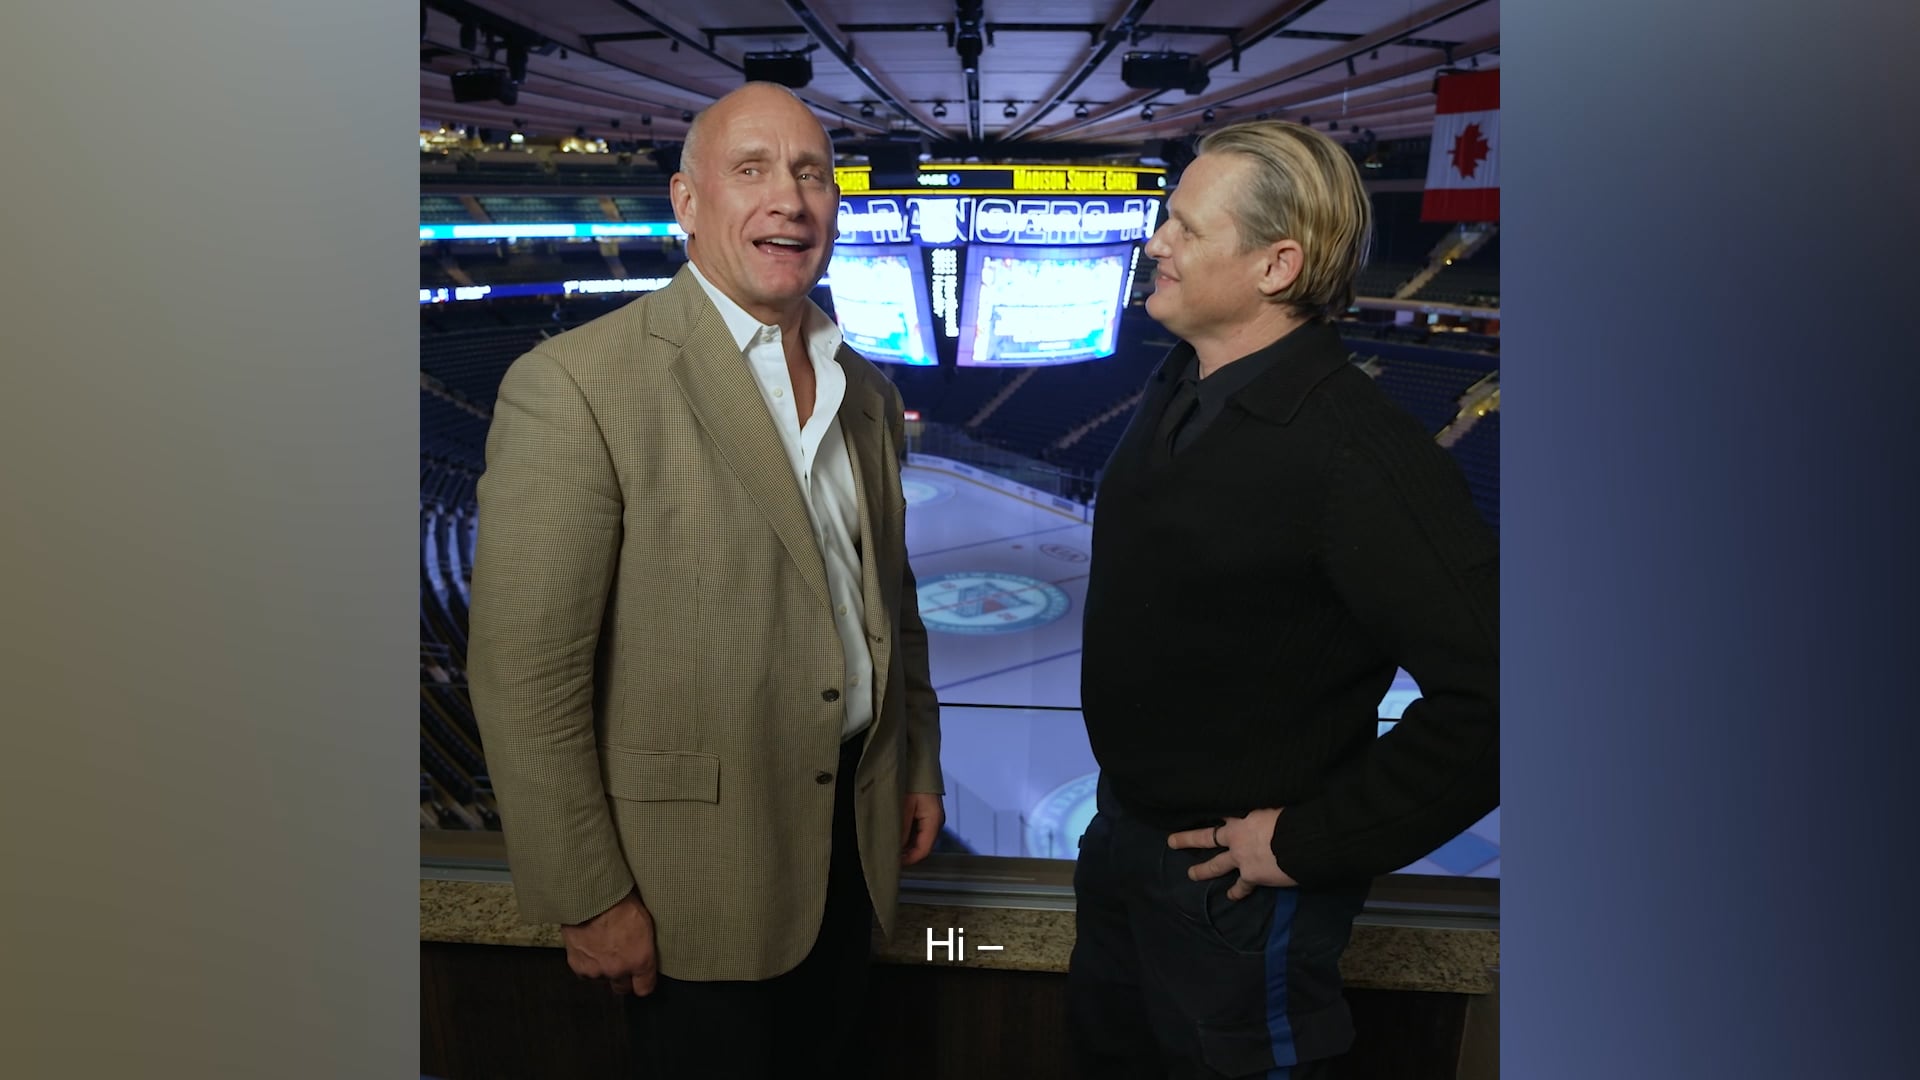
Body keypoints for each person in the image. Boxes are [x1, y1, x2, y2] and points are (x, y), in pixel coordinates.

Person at [466, 82, 945, 1078]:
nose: (791, 200)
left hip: (852, 843)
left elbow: (890, 603)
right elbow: (524, 675)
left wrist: (917, 764)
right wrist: (590, 893)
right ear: (687, 203)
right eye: (754, 170)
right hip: (692, 885)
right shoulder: (579, 385)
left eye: (812, 173)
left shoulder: (867, 390)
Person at [1070, 120, 1498, 1078]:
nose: (1156, 242)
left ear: (1277, 265)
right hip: (1125, 842)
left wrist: (1311, 841)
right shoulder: (1179, 379)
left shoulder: (1361, 456)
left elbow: (1505, 694)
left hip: (1237, 890)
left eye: (1184, 227)